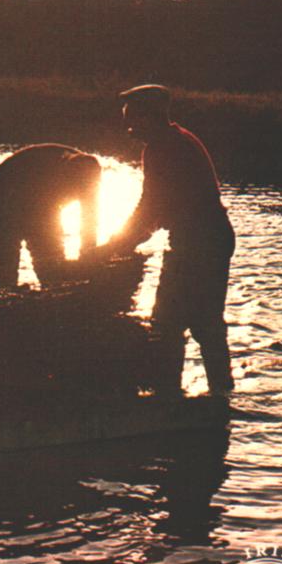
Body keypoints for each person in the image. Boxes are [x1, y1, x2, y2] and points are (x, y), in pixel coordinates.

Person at [95, 84, 235, 396]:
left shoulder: (163, 149)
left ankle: (169, 396)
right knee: (204, 324)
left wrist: (115, 246)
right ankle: (219, 396)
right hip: (206, 238)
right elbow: (155, 212)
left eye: (132, 118)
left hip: (201, 241)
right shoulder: (176, 141)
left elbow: (151, 208)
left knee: (169, 323)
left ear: (150, 117)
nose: (128, 125)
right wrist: (124, 240)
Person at [0, 143, 101, 288]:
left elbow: (90, 219)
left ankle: (53, 283)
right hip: (9, 184)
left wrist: (88, 253)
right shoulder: (46, 179)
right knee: (7, 255)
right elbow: (41, 224)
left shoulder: (89, 174)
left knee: (51, 262)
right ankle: (3, 289)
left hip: (42, 196)